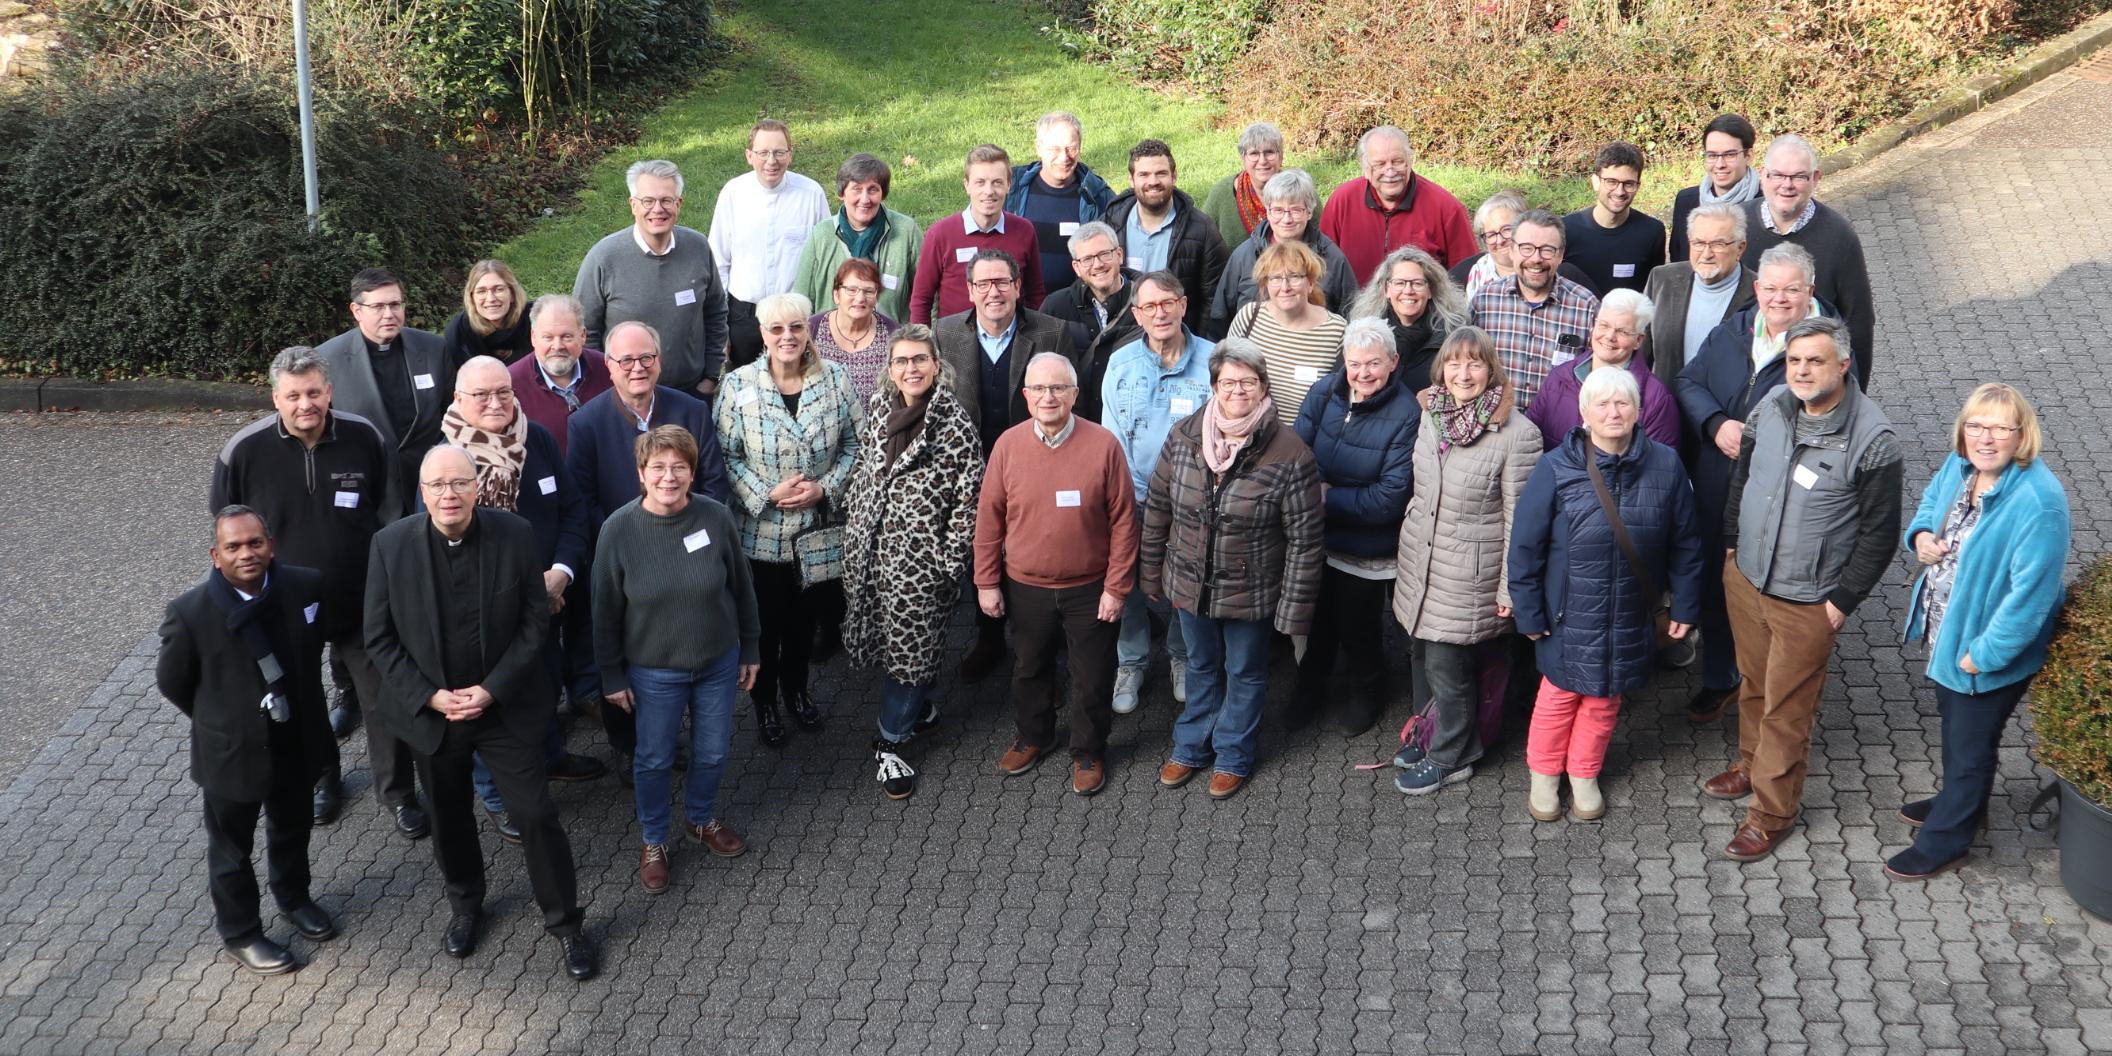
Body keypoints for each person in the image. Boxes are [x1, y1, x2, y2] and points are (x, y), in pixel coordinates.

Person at [363, 446, 597, 980]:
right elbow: (378, 635)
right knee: (448, 818)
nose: (449, 494)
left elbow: (536, 625)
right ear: (422, 494)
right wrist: (429, 695)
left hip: (504, 708)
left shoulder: (514, 535)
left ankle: (566, 924)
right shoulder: (389, 546)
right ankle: (466, 905)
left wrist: (490, 690)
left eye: (459, 483)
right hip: (434, 714)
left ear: (477, 487)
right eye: (438, 485)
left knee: (536, 813)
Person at [1706, 316, 1900, 862]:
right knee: (1753, 685)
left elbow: (1880, 533)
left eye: (1815, 361)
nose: (1803, 371)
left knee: (1787, 711)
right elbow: (1742, 477)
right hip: (1747, 577)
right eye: (1794, 360)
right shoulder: (1770, 407)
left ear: (1843, 364)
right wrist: (1729, 546)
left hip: (1808, 600)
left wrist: (1841, 603)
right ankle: (1749, 765)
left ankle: (1771, 815)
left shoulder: (1873, 440)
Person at [209, 348, 399, 828]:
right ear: (276, 397)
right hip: (282, 606)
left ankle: (397, 793)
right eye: (293, 396)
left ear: (329, 392)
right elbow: (227, 528)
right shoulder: (243, 451)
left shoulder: (365, 436)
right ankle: (322, 780)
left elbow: (392, 513)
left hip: (361, 597)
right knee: (302, 701)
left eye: (314, 392)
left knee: (380, 698)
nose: (305, 404)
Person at [1889, 384, 2070, 880]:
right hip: (1947, 634)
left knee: (1971, 747)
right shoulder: (1960, 465)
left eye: (1999, 428)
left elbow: (2030, 597)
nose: (1985, 438)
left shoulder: (2039, 502)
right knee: (1957, 731)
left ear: (2021, 435)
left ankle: (1948, 841)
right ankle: (1957, 803)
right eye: (1975, 425)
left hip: (1981, 652)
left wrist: (1983, 655)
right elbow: (1931, 503)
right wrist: (1921, 536)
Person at [1508, 368, 1703, 822]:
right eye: (1603, 404)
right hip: (1567, 611)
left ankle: (1584, 774)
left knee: (1604, 699)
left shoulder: (1667, 465)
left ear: (1639, 411)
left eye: (1623, 403)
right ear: (1584, 413)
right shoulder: (1556, 466)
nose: (1613, 412)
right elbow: (1525, 546)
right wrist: (1529, 612)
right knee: (1558, 695)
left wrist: (1687, 604)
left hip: (1630, 611)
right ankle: (1543, 775)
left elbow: (1688, 543)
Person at [155, 507, 338, 975]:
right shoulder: (190, 613)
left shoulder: (304, 586)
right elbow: (173, 682)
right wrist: (221, 720)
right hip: (231, 755)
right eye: (233, 547)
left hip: (295, 740)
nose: (246, 554)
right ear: (216, 557)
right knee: (232, 850)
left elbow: (319, 641)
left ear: (271, 545)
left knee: (292, 829)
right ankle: (240, 933)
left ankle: (294, 899)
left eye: (255, 543)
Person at [1143, 338, 1323, 798]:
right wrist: (1148, 574)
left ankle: (1233, 753)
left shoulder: (1290, 452)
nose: (1237, 390)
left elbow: (1305, 541)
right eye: (1228, 381)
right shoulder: (1185, 435)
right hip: (1189, 582)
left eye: (1247, 381)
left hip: (1253, 589)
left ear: (1263, 387)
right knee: (1201, 665)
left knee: (1245, 672)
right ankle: (1191, 746)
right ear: (1214, 385)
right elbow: (1159, 507)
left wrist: (1292, 612)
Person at [441, 356, 607, 843]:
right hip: (484, 614)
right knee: (495, 703)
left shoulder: (535, 439)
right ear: (458, 401)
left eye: (503, 392)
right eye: (482, 396)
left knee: (545, 681)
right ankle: (496, 795)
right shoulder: (446, 461)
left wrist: (561, 572)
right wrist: (520, 592)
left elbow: (572, 508)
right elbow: (442, 552)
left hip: (549, 599)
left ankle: (551, 756)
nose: (496, 403)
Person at [592, 426, 761, 893]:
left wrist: (750, 646)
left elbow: (741, 588)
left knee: (712, 751)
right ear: (641, 474)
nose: (669, 477)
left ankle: (701, 820)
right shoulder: (618, 529)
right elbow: (604, 610)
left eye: (679, 467)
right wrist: (610, 674)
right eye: (658, 468)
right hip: (653, 670)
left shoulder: (714, 517)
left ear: (692, 472)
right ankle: (653, 840)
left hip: (717, 662)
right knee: (653, 758)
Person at [1674, 243, 1836, 722]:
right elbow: (1688, 381)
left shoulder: (1824, 351)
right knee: (1717, 586)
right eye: (1770, 288)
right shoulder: (1735, 330)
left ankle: (1770, 695)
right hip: (1716, 487)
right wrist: (1715, 422)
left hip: (1777, 500)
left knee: (1767, 594)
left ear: (1810, 291)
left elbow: (1833, 428)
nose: (1779, 299)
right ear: (1756, 288)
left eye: (1791, 289)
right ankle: (1720, 677)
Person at [972, 352, 1138, 796]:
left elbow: (1124, 521)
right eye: (1040, 389)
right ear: (1026, 396)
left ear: (1075, 395)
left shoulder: (1103, 445)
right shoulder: (1007, 445)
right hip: (1026, 585)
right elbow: (989, 519)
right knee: (1029, 669)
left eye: (1058, 388)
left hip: (1090, 589)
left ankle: (1088, 750)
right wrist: (986, 582)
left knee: (1092, 675)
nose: (1049, 397)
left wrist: (1116, 587)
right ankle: (1034, 737)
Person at [1389, 327, 1542, 795]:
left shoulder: (1518, 434)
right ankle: (1428, 730)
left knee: (1448, 666)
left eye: (1474, 363)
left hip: (1469, 573)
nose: (1463, 373)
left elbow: (1522, 521)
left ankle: (1454, 755)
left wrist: (1508, 589)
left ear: (1491, 369)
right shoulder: (1432, 414)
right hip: (1422, 561)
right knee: (1420, 653)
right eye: (1454, 363)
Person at [839, 327, 985, 799]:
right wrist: (855, 523)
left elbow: (970, 500)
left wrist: (948, 561)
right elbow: (864, 465)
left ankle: (890, 741)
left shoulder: (954, 423)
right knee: (887, 642)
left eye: (920, 359)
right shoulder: (882, 408)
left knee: (911, 656)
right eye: (901, 361)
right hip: (872, 554)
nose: (911, 369)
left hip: (921, 565)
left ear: (937, 364)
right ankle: (917, 710)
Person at [715, 292, 861, 743]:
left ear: (808, 329)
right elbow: (724, 455)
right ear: (762, 334)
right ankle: (764, 705)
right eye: (776, 329)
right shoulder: (738, 385)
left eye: (796, 327)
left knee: (804, 624)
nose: (787, 337)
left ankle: (798, 693)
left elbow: (857, 445)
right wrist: (765, 493)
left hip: (816, 533)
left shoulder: (835, 379)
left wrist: (825, 488)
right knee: (764, 626)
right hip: (759, 535)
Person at [936, 249, 1077, 682]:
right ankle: (990, 639)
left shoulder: (1052, 332)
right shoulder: (943, 334)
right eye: (983, 284)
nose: (993, 292)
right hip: (971, 471)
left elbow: (1075, 402)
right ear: (970, 290)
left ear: (1018, 287)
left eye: (1003, 283)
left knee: (1032, 556)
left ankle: (1040, 654)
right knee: (986, 553)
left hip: (1035, 467)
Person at [1291, 316, 1417, 735]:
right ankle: (1311, 684)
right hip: (1316, 537)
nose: (1363, 373)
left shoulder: (1407, 413)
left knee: (1359, 626)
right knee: (1317, 619)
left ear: (1393, 361)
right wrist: (1312, 493)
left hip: (1368, 547)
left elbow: (1389, 498)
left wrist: (1325, 495)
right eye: (1355, 363)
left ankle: (1367, 689)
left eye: (1374, 364)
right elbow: (1296, 453)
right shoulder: (1324, 391)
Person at [1100, 271, 1214, 715]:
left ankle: (1182, 657)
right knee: (1126, 583)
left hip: (1193, 499)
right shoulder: (1121, 363)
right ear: (1137, 315)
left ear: (1184, 305)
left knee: (1186, 580)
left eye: (1168, 302)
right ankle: (1131, 661)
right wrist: (1125, 498)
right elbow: (1112, 440)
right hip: (1133, 496)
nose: (1160, 312)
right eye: (1149, 306)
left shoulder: (1213, 360)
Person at [574, 159, 729, 396]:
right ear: (633, 205)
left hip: (691, 392)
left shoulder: (698, 247)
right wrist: (606, 387)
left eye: (666, 200)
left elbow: (716, 312)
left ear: (679, 204)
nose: (658, 209)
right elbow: (585, 331)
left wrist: (710, 376)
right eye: (648, 201)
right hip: (626, 396)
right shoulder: (603, 258)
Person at [314, 267, 453, 521]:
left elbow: (452, 415)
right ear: (356, 311)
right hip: (367, 493)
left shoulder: (433, 348)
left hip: (431, 490)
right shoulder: (327, 359)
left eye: (395, 304)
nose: (389, 314)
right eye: (378, 307)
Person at [1741, 135, 1876, 388]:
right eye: (1778, 175)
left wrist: (1855, 392)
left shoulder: (1839, 235)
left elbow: (1858, 320)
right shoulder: (1738, 225)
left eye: (1798, 177)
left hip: (1811, 383)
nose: (1787, 185)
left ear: (1815, 179)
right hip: (1744, 376)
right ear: (1763, 175)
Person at [567, 320, 731, 526]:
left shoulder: (693, 412)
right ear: (609, 365)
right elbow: (584, 499)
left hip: (690, 537)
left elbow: (715, 482)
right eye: (626, 360)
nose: (638, 368)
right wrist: (617, 539)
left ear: (659, 361)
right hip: (621, 545)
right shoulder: (585, 424)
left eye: (646, 358)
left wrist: (696, 529)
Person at [708, 119, 831, 373]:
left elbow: (825, 259)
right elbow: (717, 261)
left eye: (779, 152)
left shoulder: (811, 194)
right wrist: (721, 328)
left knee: (798, 386)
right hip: (744, 316)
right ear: (749, 156)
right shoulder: (733, 194)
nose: (771, 161)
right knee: (745, 393)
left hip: (795, 317)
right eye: (763, 153)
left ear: (790, 155)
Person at [1466, 208, 1600, 407]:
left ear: (1561, 255)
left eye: (1547, 250)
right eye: (1526, 248)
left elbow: (1599, 375)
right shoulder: (1485, 302)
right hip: (1498, 428)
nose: (1536, 259)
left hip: (1558, 430)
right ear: (1512, 250)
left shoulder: (1586, 306)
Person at [1207, 169, 1360, 338]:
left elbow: (1353, 317)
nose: (1287, 219)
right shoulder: (1244, 256)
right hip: (1250, 358)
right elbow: (1219, 320)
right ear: (1268, 212)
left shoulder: (1332, 258)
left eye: (1295, 210)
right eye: (1278, 210)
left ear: (1309, 212)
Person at [1526, 289, 1681, 451]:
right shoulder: (1558, 378)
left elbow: (1659, 469)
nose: (1609, 336)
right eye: (1604, 325)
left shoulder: (1656, 399)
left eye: (1622, 331)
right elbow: (1530, 443)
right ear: (1594, 326)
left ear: (1638, 341)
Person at [1319, 125, 1477, 282]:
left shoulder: (1446, 208)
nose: (1390, 171)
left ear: (1409, 162)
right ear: (1365, 168)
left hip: (1421, 305)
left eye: (1397, 161)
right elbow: (1322, 266)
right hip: (1352, 304)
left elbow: (1468, 275)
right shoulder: (1342, 201)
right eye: (1380, 164)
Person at [910, 145, 1047, 324]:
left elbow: (1035, 293)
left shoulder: (1024, 230)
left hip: (1012, 339)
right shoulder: (940, 234)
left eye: (997, 182)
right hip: (955, 342)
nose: (989, 191)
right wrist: (923, 345)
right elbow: (922, 299)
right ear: (967, 185)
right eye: (980, 182)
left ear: (1009, 185)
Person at [1101, 139, 1226, 333]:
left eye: (1161, 173)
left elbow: (1214, 299)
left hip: (1178, 341)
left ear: (1174, 177)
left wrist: (1197, 345)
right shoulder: (1109, 224)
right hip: (1120, 340)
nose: (1153, 182)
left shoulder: (1202, 230)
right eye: (1144, 174)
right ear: (1131, 179)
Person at [1226, 239, 1348, 427]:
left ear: (1310, 282)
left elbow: (1339, 399)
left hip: (1306, 444)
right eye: (1275, 278)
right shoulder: (1249, 317)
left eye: (1294, 277)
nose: (1285, 287)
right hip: (1252, 437)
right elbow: (1226, 377)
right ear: (1265, 284)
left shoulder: (1337, 331)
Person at [793, 153, 923, 322]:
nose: (865, 199)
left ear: (883, 193)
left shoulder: (906, 230)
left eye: (873, 189)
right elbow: (801, 300)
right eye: (857, 189)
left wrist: (918, 337)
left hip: (892, 341)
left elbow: (925, 294)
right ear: (842, 193)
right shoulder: (821, 235)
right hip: (831, 341)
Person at [1641, 203, 1753, 389]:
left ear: (1740, 248)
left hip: (1725, 415)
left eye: (1718, 244)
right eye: (1699, 243)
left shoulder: (1760, 294)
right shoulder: (1662, 280)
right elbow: (1640, 353)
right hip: (1665, 410)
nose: (1706, 254)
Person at [1005, 111, 1117, 292]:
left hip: (1077, 309)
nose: (1064, 157)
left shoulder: (1098, 196)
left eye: (1071, 148)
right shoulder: (1011, 189)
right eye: (1054, 149)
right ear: (1038, 148)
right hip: (1020, 306)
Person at [1040, 221, 1143, 404]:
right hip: (1078, 417)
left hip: (1132, 412)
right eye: (1087, 259)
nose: (1097, 265)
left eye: (1104, 254)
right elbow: (1042, 369)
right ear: (1076, 268)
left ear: (1119, 255)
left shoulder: (1147, 301)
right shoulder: (1055, 307)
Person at [1348, 244, 1466, 391]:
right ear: (1386, 290)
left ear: (1430, 290)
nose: (1408, 291)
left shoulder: (1452, 337)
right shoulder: (1366, 334)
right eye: (1399, 283)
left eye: (1417, 283)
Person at [509, 294, 612, 455]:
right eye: (548, 337)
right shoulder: (509, 385)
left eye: (567, 337)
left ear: (583, 335)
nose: (557, 346)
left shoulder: (609, 370)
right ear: (533, 337)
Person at [1562, 142, 1665, 296]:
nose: (1620, 191)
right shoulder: (1566, 229)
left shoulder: (1651, 232)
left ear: (1638, 185)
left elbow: (1653, 292)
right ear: (1596, 182)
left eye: (1629, 184)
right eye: (1611, 182)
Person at [1451, 190, 1595, 300]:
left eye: (1506, 230)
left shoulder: (1563, 272)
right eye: (1491, 234)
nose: (1500, 240)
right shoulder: (1468, 272)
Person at [1668, 114, 1760, 265]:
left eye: (1730, 155)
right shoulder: (1686, 201)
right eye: (1712, 155)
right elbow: (1679, 261)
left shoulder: (1765, 204)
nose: (1720, 164)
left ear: (1748, 155)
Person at [810, 258, 898, 403]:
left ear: (877, 297)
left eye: (868, 291)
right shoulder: (812, 328)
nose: (860, 298)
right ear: (836, 295)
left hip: (878, 424)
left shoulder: (893, 333)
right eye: (851, 290)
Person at [1200, 121, 1285, 245]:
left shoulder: (1300, 191)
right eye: (1254, 153)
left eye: (1269, 152)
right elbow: (1199, 238)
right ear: (1243, 159)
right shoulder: (1222, 193)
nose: (1262, 161)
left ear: (1281, 156)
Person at [441, 260, 533, 367]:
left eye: (499, 289)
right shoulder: (458, 333)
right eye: (481, 291)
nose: (491, 299)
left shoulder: (535, 320)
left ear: (512, 294)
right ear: (472, 298)